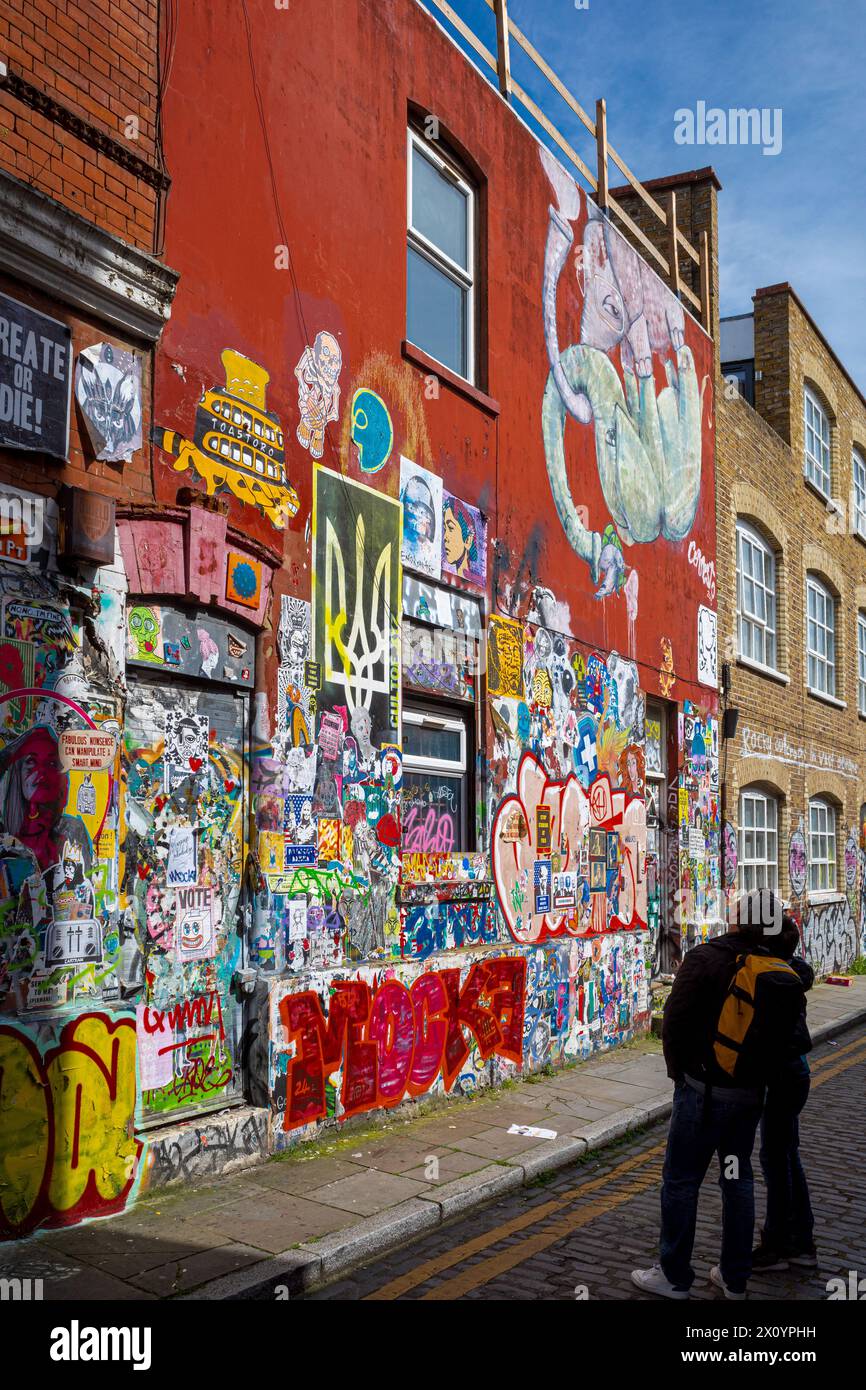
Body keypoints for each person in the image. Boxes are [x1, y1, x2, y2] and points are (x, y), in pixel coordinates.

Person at [632, 890, 806, 1301]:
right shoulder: (780, 964)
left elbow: (673, 1022)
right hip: (747, 1099)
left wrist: (680, 1076)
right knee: (735, 1178)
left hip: (701, 1097)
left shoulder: (707, 958)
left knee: (682, 1181)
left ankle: (673, 1277)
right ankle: (734, 1279)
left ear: (737, 919)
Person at [752, 919, 816, 1271]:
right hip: (796, 1072)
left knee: (776, 1161)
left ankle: (776, 1245)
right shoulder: (792, 971)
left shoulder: (773, 980)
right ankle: (802, 1243)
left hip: (783, 1076)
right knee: (786, 1156)